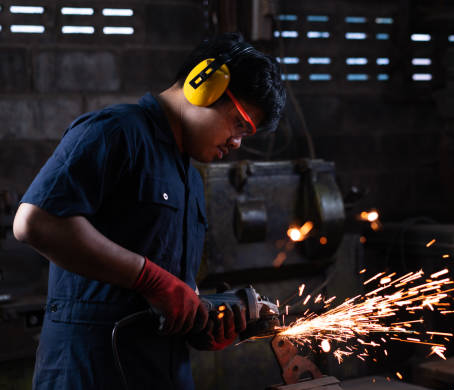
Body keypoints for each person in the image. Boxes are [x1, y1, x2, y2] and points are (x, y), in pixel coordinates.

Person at [12, 32, 286, 389]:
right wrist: (150, 279)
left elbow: (168, 292)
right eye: (239, 123)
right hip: (90, 372)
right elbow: (34, 222)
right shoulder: (115, 132)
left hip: (160, 374)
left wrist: (200, 323)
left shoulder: (188, 175)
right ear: (204, 85)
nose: (237, 143)